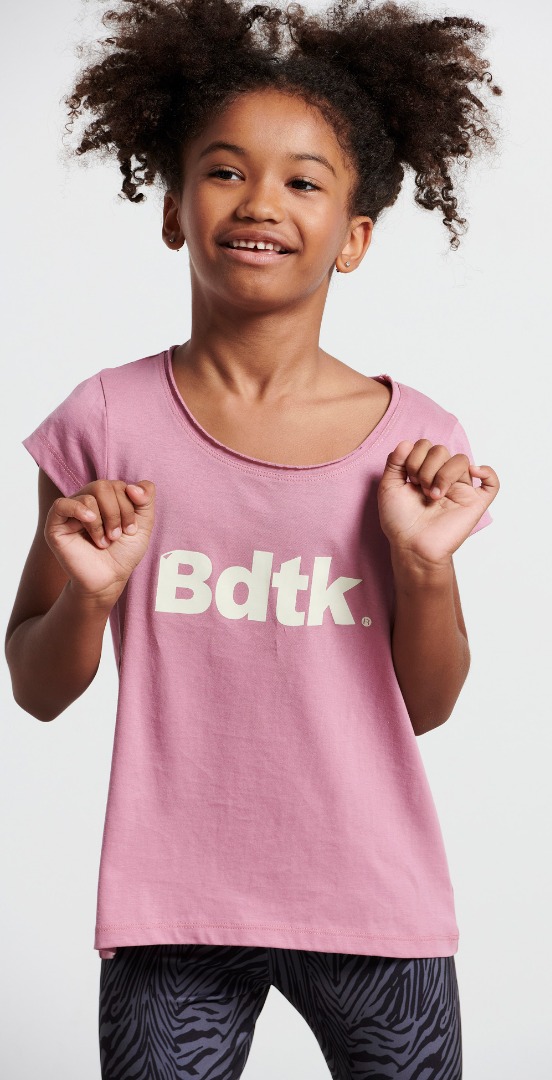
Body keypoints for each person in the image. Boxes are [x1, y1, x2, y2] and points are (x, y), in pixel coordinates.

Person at [5, 0, 502, 1075]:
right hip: (171, 909)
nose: (260, 201)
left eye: (304, 182)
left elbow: (427, 704)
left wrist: (422, 566)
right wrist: (90, 594)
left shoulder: (416, 443)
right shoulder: (103, 422)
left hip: (372, 903)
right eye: (225, 171)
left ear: (354, 236)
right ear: (174, 209)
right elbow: (36, 687)